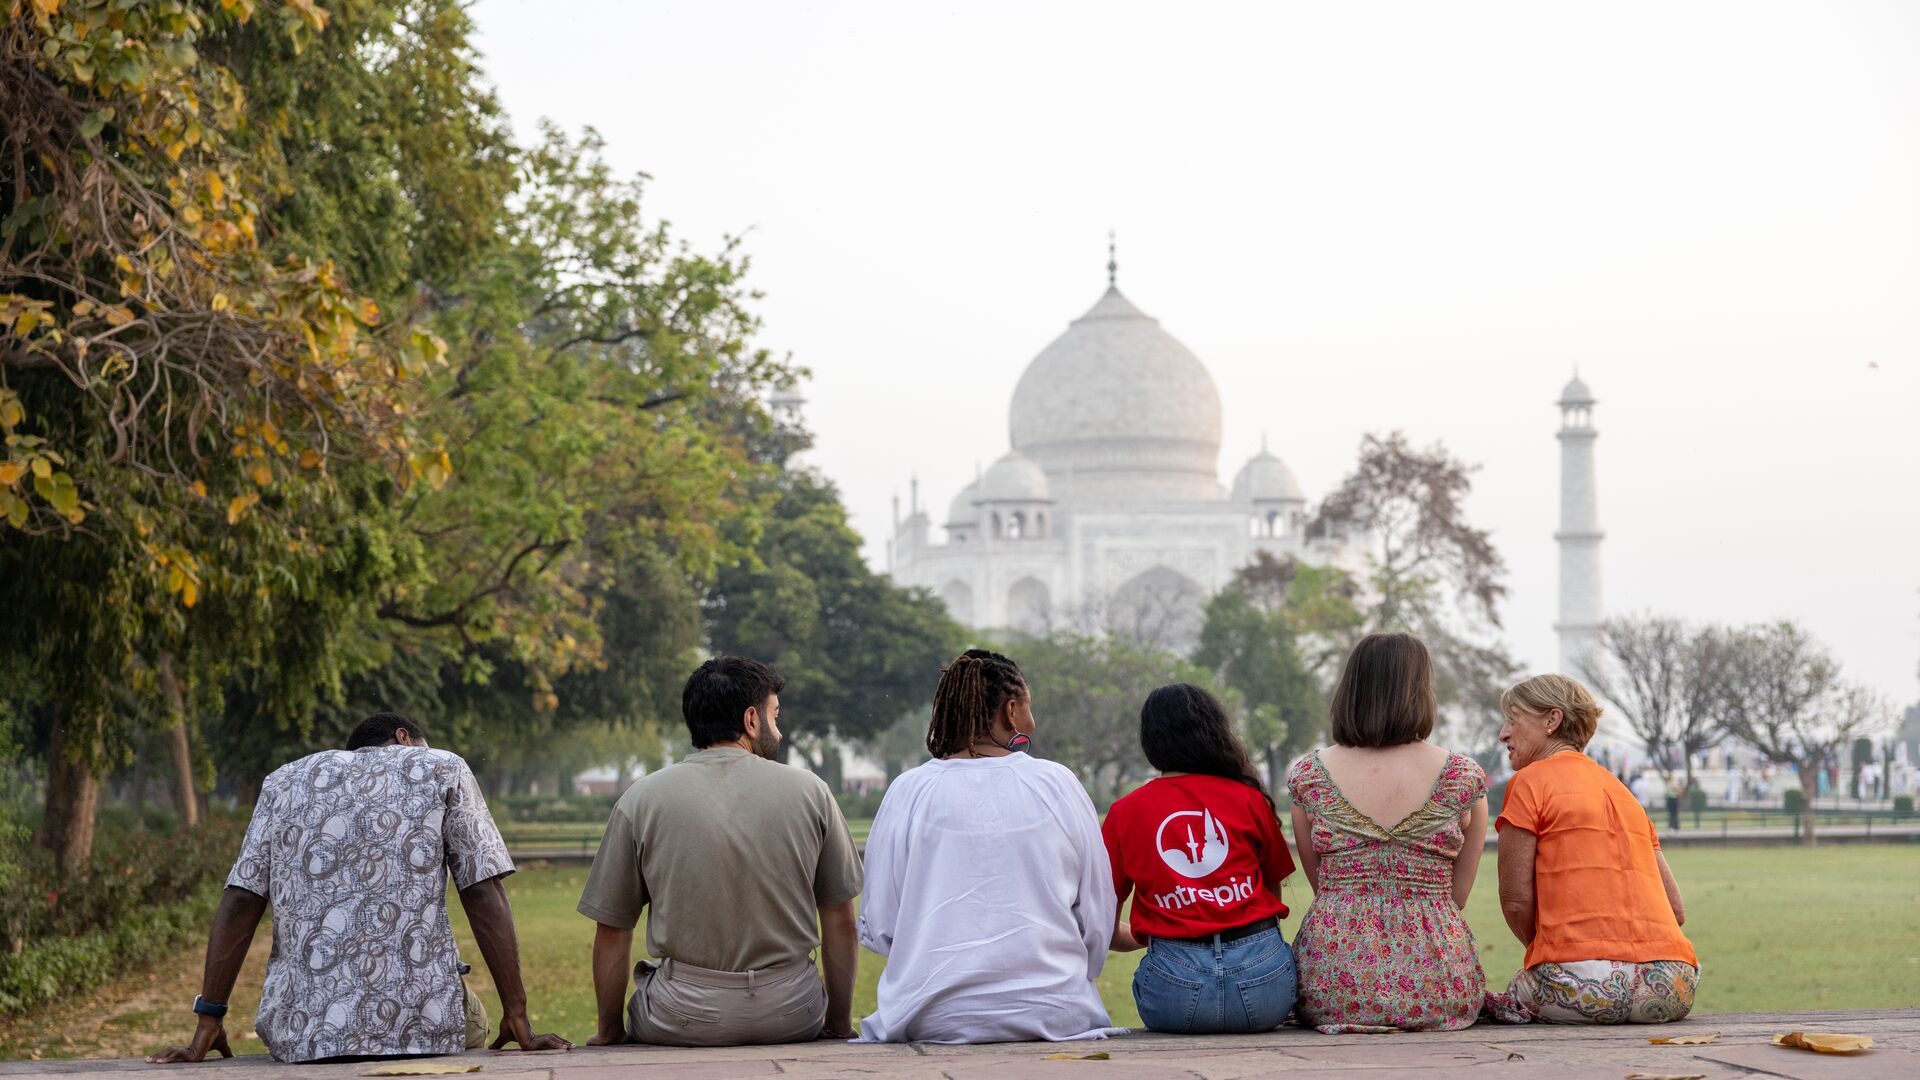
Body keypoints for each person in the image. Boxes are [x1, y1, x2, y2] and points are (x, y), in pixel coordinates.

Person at [148, 713, 570, 1064]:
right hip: (420, 1026)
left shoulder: (283, 781)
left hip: (303, 1034)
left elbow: (242, 897)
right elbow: (481, 888)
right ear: (404, 738)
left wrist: (210, 1018)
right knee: (473, 1017)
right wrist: (517, 1015)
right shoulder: (441, 766)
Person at [577, 656, 862, 1046]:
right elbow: (841, 919)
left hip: (683, 1015)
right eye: (774, 717)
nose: (778, 732)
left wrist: (609, 1032)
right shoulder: (812, 792)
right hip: (792, 1011)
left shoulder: (641, 799)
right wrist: (838, 1025)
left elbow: (612, 928)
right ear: (751, 720)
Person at [856, 649, 1119, 1043]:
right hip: (1054, 1009)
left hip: (930, 1014)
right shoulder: (1056, 783)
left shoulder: (908, 791)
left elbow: (882, 924)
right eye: (1029, 707)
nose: (1033, 719)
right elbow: (1097, 913)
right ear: (1011, 711)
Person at [1286, 632, 1494, 1034]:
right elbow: (1458, 897)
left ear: (1351, 690)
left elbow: (1323, 889)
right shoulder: (1463, 778)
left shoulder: (1309, 776)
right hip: (1438, 986)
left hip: (1334, 987)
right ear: (1421, 691)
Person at [1489, 674, 1697, 1024]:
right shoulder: (1622, 791)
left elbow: (1515, 901)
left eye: (1512, 720)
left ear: (1552, 720)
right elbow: (1675, 910)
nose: (1503, 734)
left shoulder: (1528, 782)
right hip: (1673, 985)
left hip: (1579, 987)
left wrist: (1554, 953)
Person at [1103, 683, 1298, 1034]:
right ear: (1215, 733)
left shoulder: (1124, 813)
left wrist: (1153, 933)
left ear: (1150, 741)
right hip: (1265, 988)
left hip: (1173, 997)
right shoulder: (1250, 799)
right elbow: (1271, 896)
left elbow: (1101, 923)